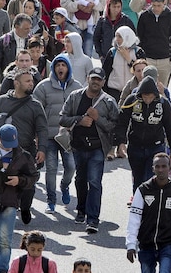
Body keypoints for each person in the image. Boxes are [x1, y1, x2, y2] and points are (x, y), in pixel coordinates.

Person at [59, 68, 119, 233]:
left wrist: (98, 118)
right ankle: (81, 210)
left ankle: (93, 219)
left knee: (94, 182)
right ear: (87, 78)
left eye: (99, 79)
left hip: (97, 148)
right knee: (80, 180)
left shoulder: (108, 101)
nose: (95, 82)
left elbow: (115, 125)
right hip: (78, 146)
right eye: (93, 78)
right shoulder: (75, 96)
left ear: (104, 82)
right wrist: (79, 120)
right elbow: (62, 118)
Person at [0, 124, 39, 273]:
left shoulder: (23, 155)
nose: (9, 147)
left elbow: (33, 176)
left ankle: (2, 271)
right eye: (6, 144)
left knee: (4, 241)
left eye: (12, 144)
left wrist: (20, 180)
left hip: (9, 202)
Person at [0, 72, 48, 224]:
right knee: (3, 183)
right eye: (27, 81)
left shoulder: (35, 105)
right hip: (3, 151)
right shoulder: (1, 101)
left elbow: (42, 129)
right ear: (16, 83)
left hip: (27, 151)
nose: (31, 84)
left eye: (32, 81)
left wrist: (42, 149)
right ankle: (5, 211)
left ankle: (25, 207)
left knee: (28, 184)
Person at [126, 152, 171, 272]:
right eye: (157, 166)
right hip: (146, 244)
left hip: (167, 244)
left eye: (164, 166)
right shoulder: (143, 190)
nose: (161, 170)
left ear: (170, 168)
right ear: (153, 169)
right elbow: (134, 219)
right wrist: (131, 245)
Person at [33, 54, 81, 213]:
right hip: (48, 136)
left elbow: (82, 110)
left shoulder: (77, 87)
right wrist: (37, 135)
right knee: (51, 168)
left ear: (68, 68)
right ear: (53, 67)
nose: (61, 68)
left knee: (71, 167)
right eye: (58, 65)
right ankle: (51, 200)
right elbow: (36, 111)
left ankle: (65, 186)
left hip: (68, 137)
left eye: (64, 65)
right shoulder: (43, 86)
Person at [117, 76, 171, 193]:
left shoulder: (163, 104)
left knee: (150, 179)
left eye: (150, 96)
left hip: (156, 147)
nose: (148, 99)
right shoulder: (131, 101)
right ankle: (138, 206)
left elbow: (170, 128)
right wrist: (121, 142)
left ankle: (150, 207)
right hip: (135, 147)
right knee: (138, 180)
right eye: (145, 96)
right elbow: (122, 123)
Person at [136, 0, 171, 85]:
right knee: (147, 86)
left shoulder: (170, 16)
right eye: (154, 5)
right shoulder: (144, 16)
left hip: (165, 59)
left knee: (162, 89)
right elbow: (139, 37)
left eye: (159, 5)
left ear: (164, 3)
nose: (156, 8)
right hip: (148, 58)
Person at [0, 14, 34, 98]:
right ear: (16, 27)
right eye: (26, 29)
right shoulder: (4, 41)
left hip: (27, 82)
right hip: (8, 82)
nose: (29, 31)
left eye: (30, 28)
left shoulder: (31, 40)